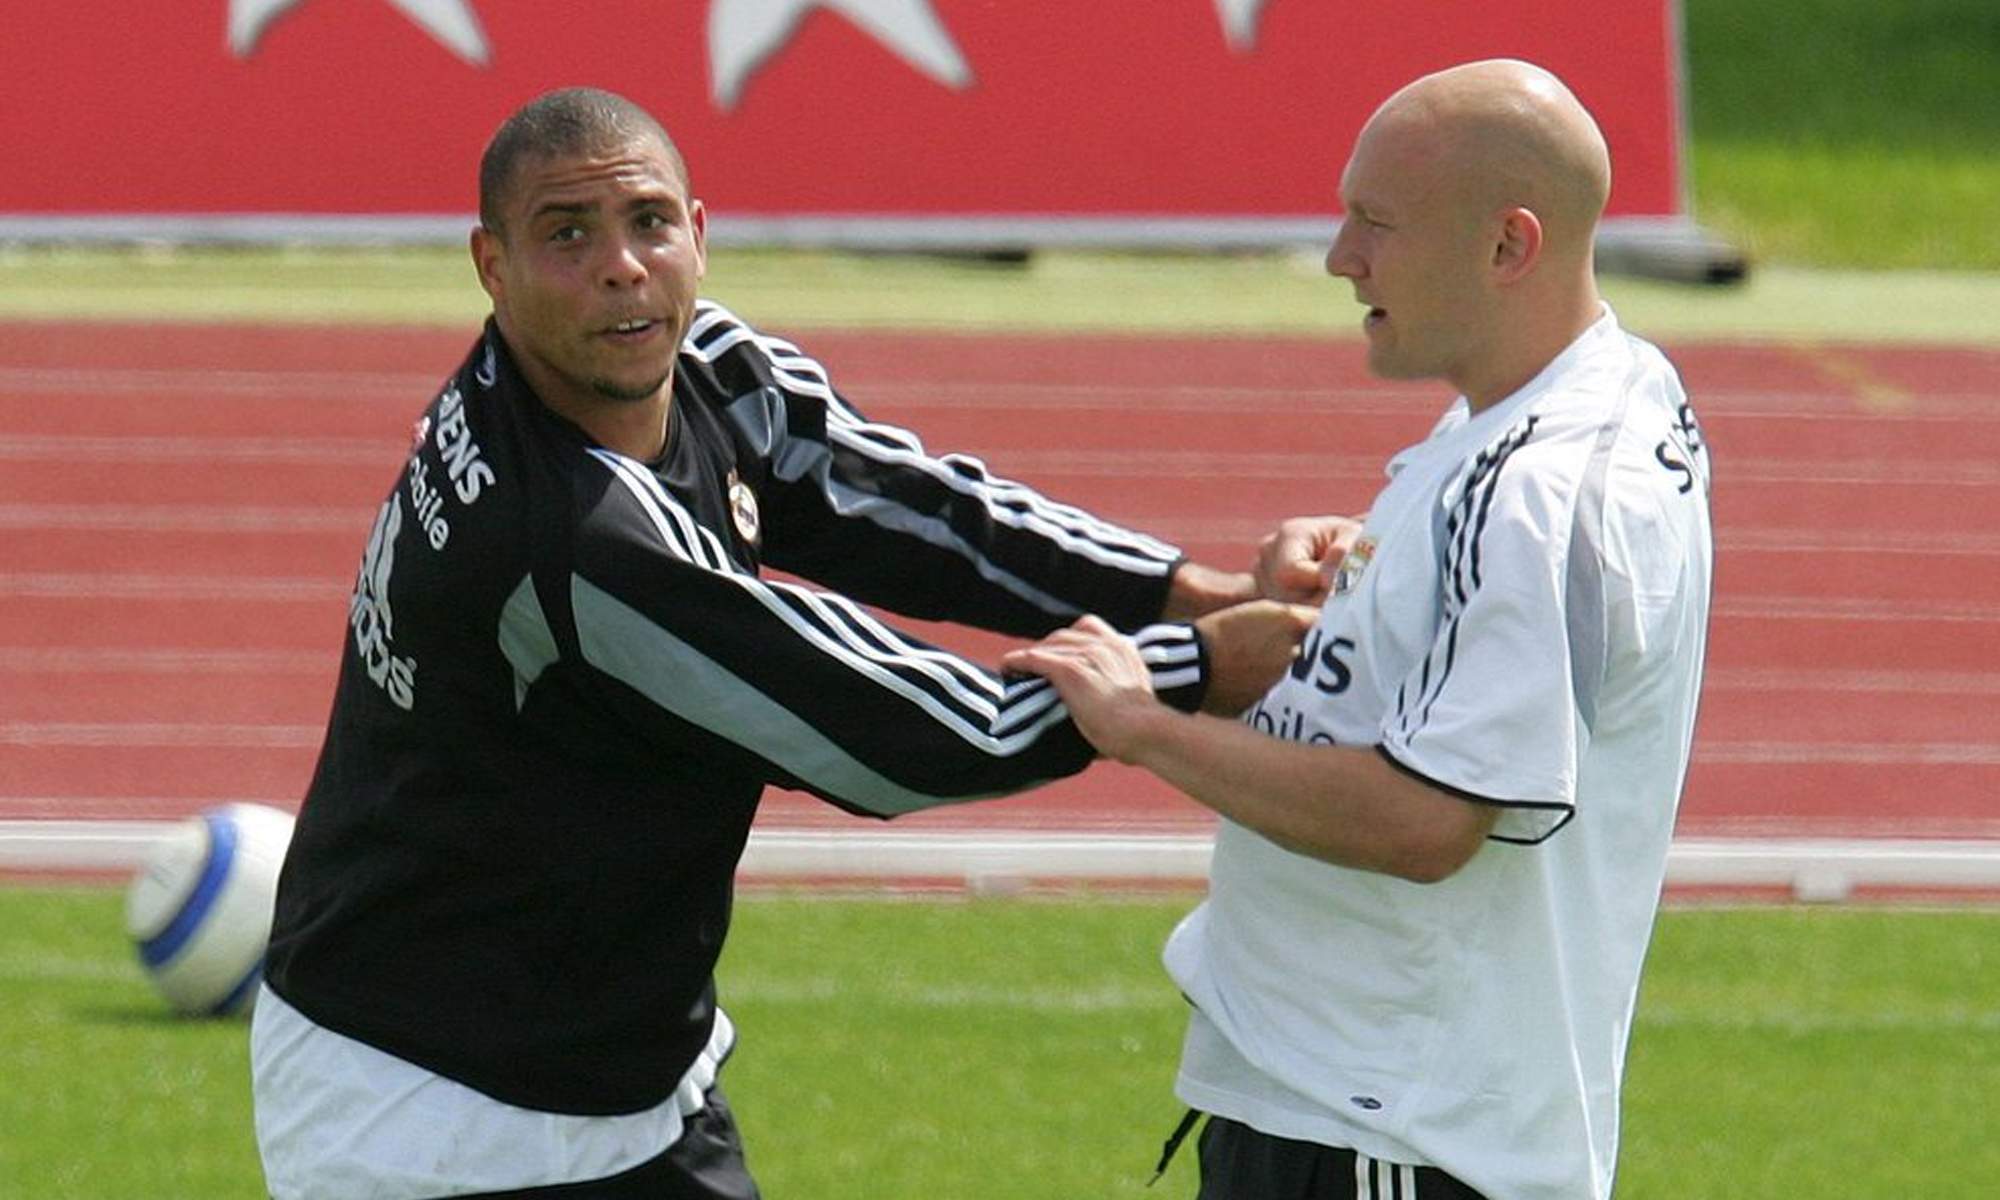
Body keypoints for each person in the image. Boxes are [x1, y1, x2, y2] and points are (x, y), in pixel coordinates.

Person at [249, 87, 1309, 1199]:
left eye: (649, 222)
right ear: (490, 263)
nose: (622, 266)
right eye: (568, 235)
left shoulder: (707, 367)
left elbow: (921, 512)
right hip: (434, 1111)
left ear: (699, 234)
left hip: (618, 1075)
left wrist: (1186, 591)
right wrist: (1192, 676)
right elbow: (892, 735)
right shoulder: (565, 533)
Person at [1005, 59, 1714, 1200]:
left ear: (1506, 247)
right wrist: (1375, 579)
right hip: (1362, 1100)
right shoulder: (1588, 388)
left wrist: (1141, 725)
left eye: (1374, 224)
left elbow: (1426, 821)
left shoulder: (1534, 489)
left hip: (1384, 1129)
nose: (1339, 257)